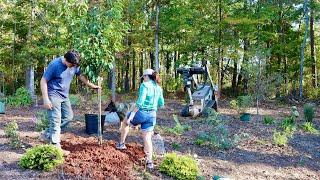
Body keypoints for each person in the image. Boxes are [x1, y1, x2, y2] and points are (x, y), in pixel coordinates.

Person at [40, 50, 100, 154]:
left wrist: (91, 85)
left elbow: (80, 75)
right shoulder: (54, 65)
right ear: (65, 59)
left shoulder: (74, 64)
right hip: (53, 95)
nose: (72, 67)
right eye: (71, 65)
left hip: (64, 95)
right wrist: (46, 99)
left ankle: (47, 134)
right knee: (56, 120)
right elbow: (43, 81)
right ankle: (55, 146)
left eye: (74, 66)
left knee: (68, 117)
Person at [116, 68, 164, 169]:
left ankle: (121, 144)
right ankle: (149, 162)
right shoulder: (159, 88)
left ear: (147, 76)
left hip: (141, 113)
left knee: (125, 122)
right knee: (147, 137)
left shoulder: (144, 85)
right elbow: (161, 103)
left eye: (143, 77)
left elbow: (140, 102)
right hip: (152, 115)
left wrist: (131, 117)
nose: (143, 79)